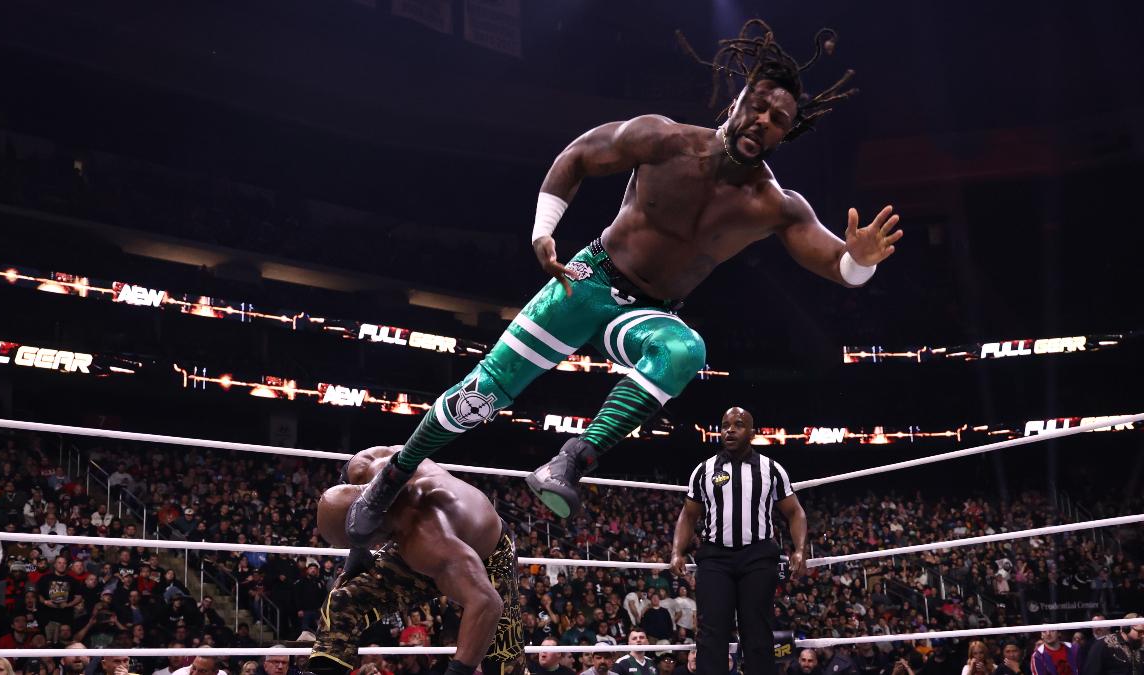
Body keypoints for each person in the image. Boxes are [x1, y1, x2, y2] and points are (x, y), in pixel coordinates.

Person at [342, 17, 901, 538]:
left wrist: (863, 259)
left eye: (779, 120)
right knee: (478, 398)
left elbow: (838, 266)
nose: (764, 121)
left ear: (786, 134)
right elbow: (578, 155)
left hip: (646, 312)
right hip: (585, 280)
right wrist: (543, 231)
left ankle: (570, 461)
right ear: (738, 100)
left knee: (686, 350)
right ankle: (395, 474)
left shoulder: (776, 206)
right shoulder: (663, 140)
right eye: (758, 107)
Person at [309, 446, 524, 675]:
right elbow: (354, 514)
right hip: (427, 537)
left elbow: (488, 603)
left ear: (376, 530)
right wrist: (358, 553)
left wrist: (458, 671)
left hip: (488, 551)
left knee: (502, 661)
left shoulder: (425, 539)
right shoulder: (364, 465)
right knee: (342, 601)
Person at [671, 407, 807, 675]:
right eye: (725, 425)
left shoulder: (771, 469)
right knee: (711, 631)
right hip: (715, 558)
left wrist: (800, 550)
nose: (729, 429)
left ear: (752, 433)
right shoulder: (704, 470)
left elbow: (795, 511)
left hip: (758, 556)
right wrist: (677, 551)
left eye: (738, 424)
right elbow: (688, 515)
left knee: (757, 630)